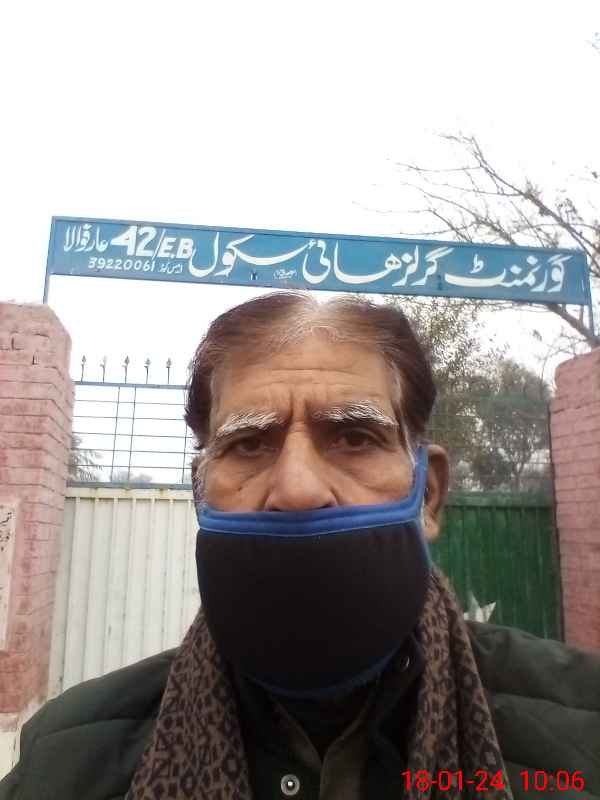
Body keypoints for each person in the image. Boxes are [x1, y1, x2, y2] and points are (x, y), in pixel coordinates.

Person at [1, 292, 599, 800]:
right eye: (249, 445)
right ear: (200, 493)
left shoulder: (582, 729)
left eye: (354, 436)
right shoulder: (67, 763)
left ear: (430, 494)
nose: (297, 489)